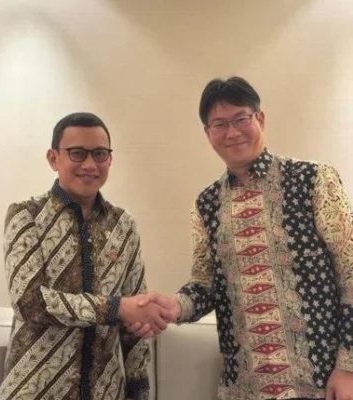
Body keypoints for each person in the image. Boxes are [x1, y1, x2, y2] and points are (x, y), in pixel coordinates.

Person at [131, 76, 353, 400]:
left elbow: (350, 270)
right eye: (220, 124)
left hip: (322, 382)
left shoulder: (313, 179)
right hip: (244, 387)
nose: (232, 132)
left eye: (241, 119)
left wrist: (348, 367)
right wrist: (173, 307)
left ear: (260, 119)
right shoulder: (206, 204)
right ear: (208, 133)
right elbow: (206, 285)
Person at [0, 112, 177, 400]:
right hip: (35, 391)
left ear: (110, 159)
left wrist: (138, 389)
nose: (90, 164)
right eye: (77, 153)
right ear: (53, 158)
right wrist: (117, 308)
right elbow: (29, 302)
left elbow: (135, 320)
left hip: (105, 392)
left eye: (100, 154)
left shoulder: (123, 225)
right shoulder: (26, 215)